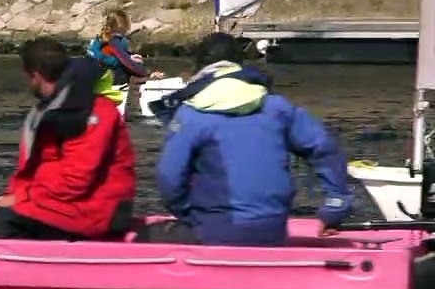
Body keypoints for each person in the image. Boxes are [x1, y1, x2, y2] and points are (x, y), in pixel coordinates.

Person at [137, 32, 352, 246]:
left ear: (200, 68)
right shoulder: (277, 107)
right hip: (273, 230)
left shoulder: (191, 116)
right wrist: (335, 205)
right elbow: (324, 148)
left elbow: (169, 178)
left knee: (139, 237)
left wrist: (187, 213)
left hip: (215, 230)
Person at [0, 37, 137, 241]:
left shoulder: (94, 113)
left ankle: (26, 269)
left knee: (4, 223)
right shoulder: (50, 111)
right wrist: (13, 196)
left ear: (35, 76)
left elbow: (76, 180)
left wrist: (22, 198)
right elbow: (34, 170)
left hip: (99, 209)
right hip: (60, 203)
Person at [87, 9, 163, 114]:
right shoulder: (115, 41)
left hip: (101, 74)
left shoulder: (102, 38)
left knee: (134, 62)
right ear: (124, 26)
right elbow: (127, 62)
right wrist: (147, 74)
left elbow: (121, 56)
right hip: (109, 77)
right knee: (136, 72)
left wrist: (131, 56)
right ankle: (133, 109)